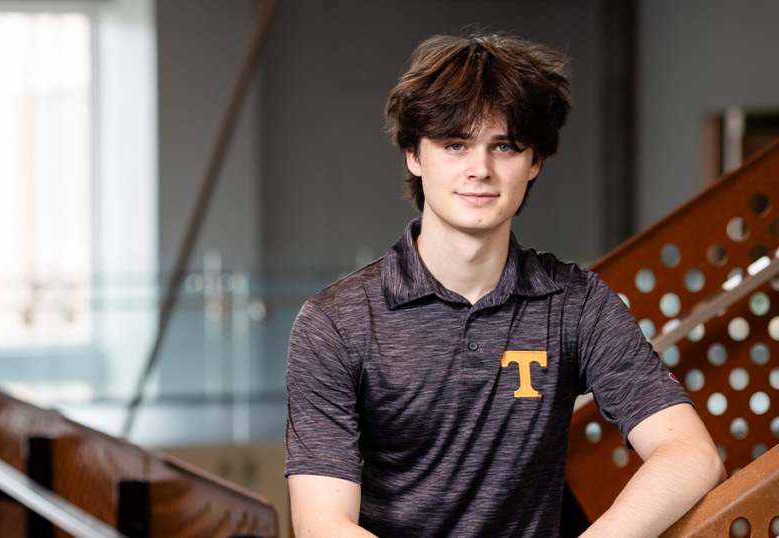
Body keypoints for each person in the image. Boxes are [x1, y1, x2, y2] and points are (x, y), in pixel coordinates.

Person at [284, 33, 726, 538]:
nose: (481, 169)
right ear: (413, 155)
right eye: (455, 144)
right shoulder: (336, 323)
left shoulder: (576, 304)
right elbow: (323, 525)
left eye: (505, 147)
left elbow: (691, 456)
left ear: (534, 162)